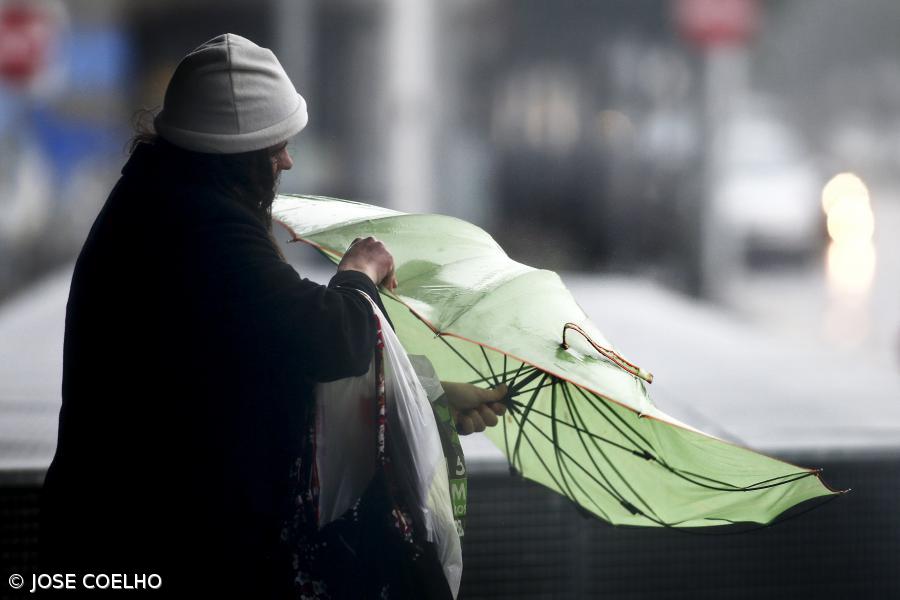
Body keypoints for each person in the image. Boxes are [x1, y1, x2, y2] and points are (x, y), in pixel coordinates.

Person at [40, 34, 504, 598]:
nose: (287, 159)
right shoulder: (198, 227)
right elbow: (330, 336)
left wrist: (428, 395)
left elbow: (267, 344)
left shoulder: (164, 199)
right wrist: (359, 273)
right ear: (234, 157)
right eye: (274, 147)